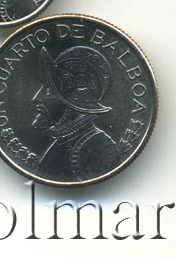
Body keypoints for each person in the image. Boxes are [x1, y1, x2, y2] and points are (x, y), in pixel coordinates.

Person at [31, 46, 119, 181]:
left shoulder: (100, 148)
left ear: (73, 101)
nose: (36, 98)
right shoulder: (64, 141)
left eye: (49, 91)